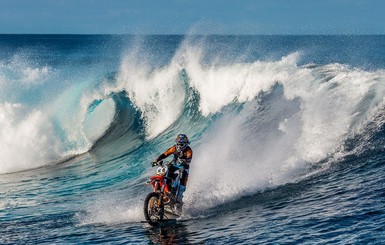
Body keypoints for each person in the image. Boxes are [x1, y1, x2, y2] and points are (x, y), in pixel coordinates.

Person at [152, 134, 192, 203]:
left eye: (181, 144)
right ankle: (167, 191)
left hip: (184, 167)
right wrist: (157, 160)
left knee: (181, 186)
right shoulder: (174, 148)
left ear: (185, 144)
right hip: (175, 164)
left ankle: (179, 202)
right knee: (166, 169)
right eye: (178, 144)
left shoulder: (188, 150)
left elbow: (189, 159)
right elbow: (165, 154)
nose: (179, 146)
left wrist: (185, 161)